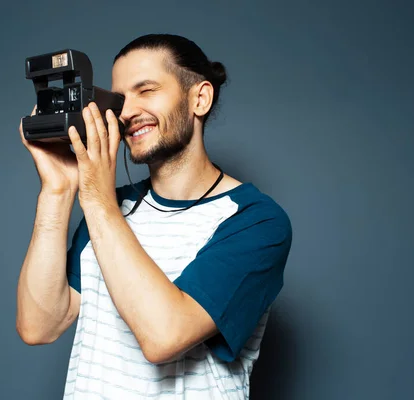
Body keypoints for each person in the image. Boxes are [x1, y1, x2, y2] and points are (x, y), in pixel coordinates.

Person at [16, 33, 292, 399]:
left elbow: (164, 336)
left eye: (146, 91)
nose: (127, 112)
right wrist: (59, 191)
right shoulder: (111, 209)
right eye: (120, 98)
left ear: (200, 98)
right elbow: (40, 326)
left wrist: (96, 198)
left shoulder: (256, 222)